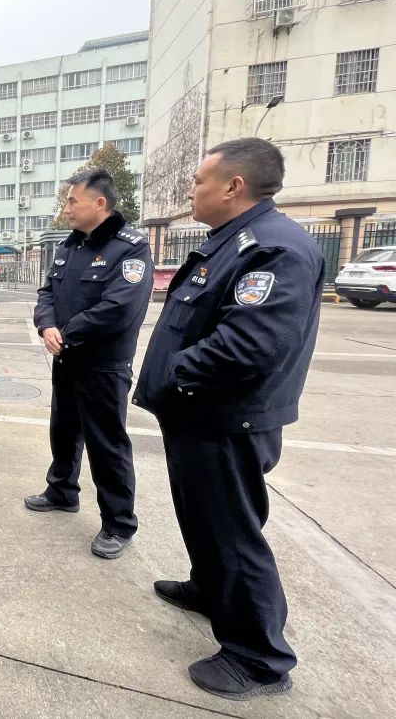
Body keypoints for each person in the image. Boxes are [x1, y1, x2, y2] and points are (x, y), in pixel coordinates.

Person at [135, 138, 323, 701]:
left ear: (233, 186)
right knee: (204, 518)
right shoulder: (233, 242)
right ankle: (210, 589)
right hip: (198, 414)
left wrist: (174, 372)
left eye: (199, 181)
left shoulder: (274, 249)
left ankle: (259, 659)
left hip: (225, 418)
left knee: (232, 532)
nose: (192, 190)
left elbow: (249, 346)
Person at [26, 169, 154, 560]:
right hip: (66, 359)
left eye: (72, 201)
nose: (66, 208)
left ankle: (118, 523)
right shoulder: (69, 246)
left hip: (103, 365)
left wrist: (66, 333)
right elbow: (46, 293)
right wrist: (47, 325)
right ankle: (62, 491)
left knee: (107, 445)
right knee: (63, 430)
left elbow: (118, 308)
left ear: (99, 203)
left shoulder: (130, 249)